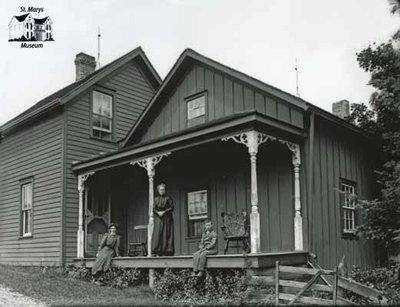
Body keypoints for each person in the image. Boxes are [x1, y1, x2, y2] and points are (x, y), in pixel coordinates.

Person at [152, 183, 174, 256]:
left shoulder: (168, 198)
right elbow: (153, 208)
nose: (162, 191)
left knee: (166, 233)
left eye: (163, 189)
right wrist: (158, 212)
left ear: (165, 190)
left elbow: (172, 207)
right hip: (159, 218)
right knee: (158, 234)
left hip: (167, 218)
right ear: (158, 190)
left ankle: (167, 251)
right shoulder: (156, 199)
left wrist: (164, 212)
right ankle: (157, 251)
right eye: (160, 189)